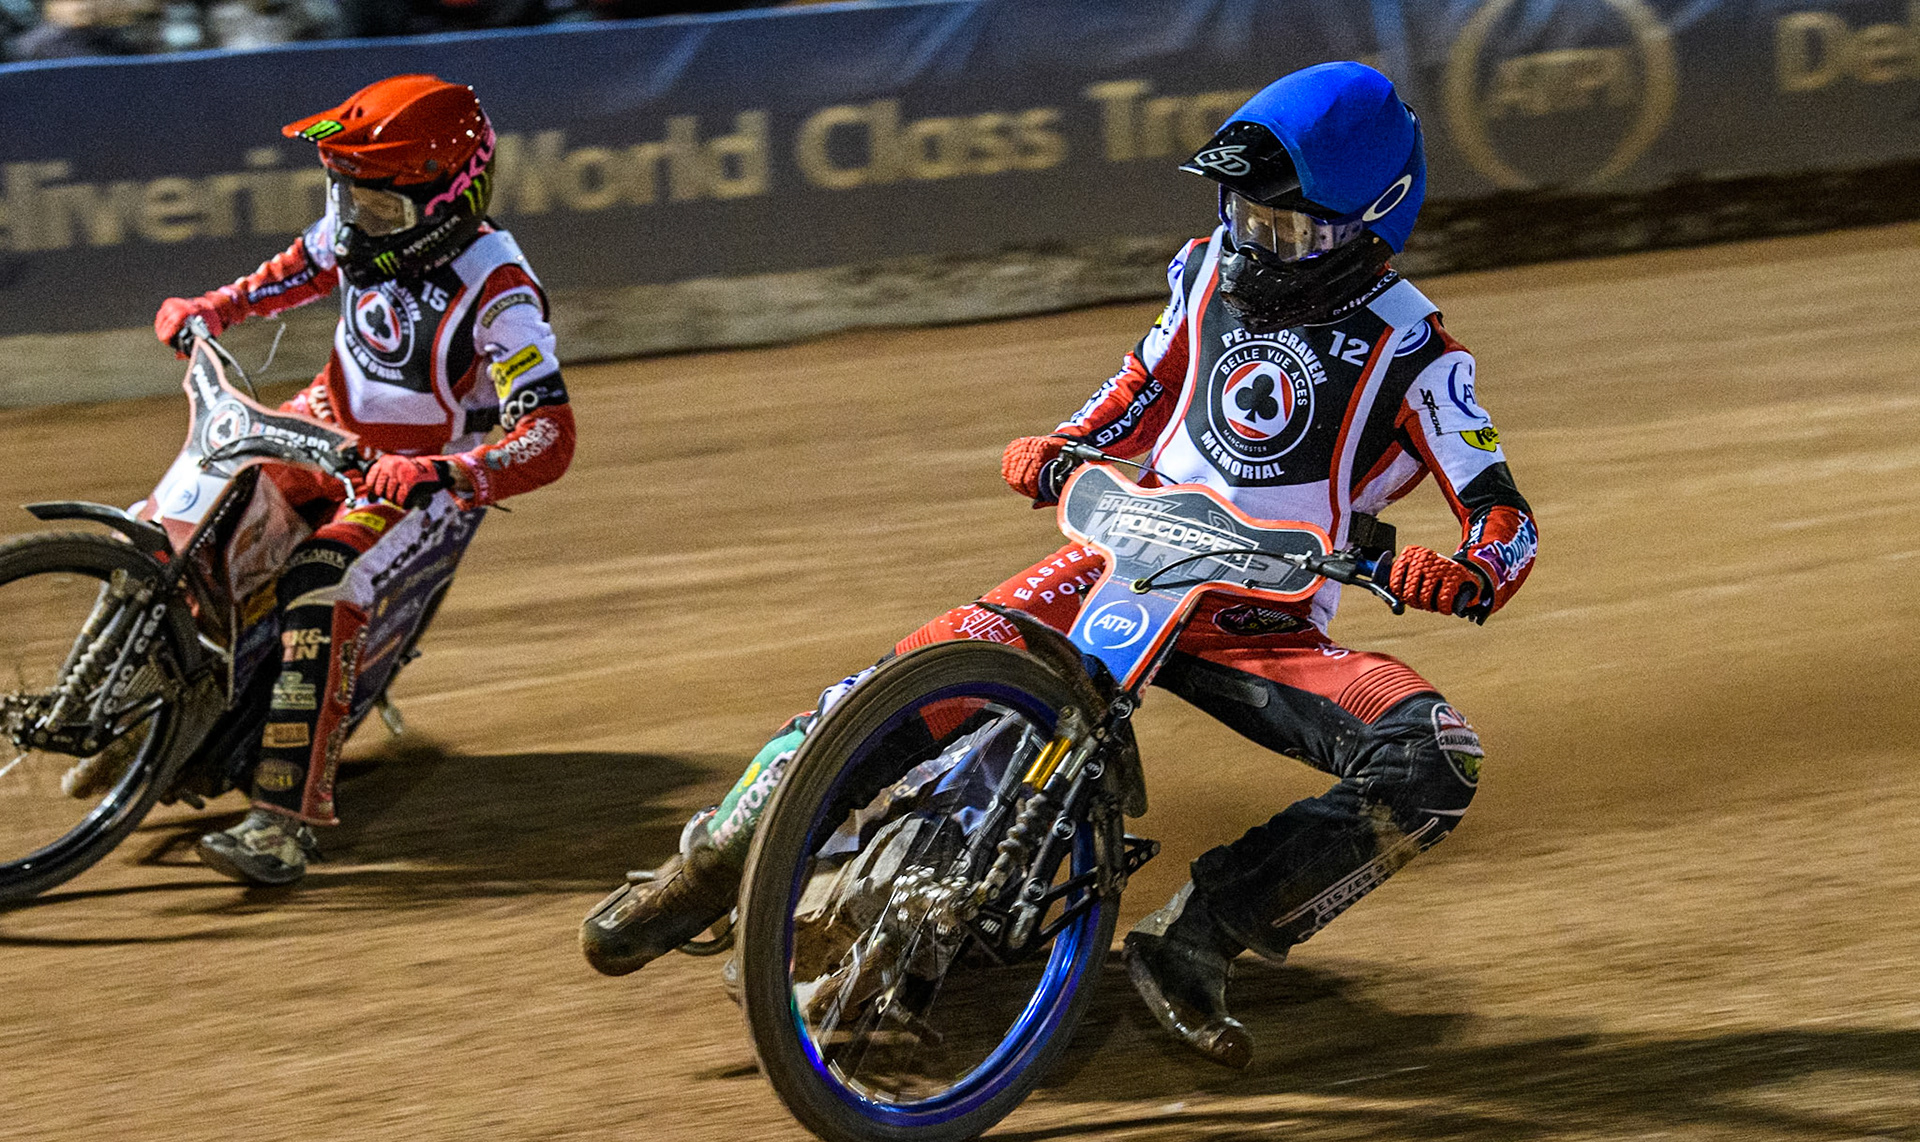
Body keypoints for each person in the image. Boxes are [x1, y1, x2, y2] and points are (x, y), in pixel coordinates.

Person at [579, 62, 1538, 1068]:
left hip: (1264, 622)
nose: (1256, 240)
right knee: (912, 677)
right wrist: (1064, 443)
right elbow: (1138, 387)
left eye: (1287, 227)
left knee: (1438, 757)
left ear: (1373, 221)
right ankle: (717, 856)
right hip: (1125, 557)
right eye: (1245, 212)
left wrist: (1468, 570)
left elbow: (1503, 516)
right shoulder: (1205, 269)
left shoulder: (1421, 356)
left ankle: (1198, 938)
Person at [149, 74, 574, 886]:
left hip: (415, 477)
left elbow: (549, 435)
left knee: (321, 580)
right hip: (322, 424)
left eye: (376, 207)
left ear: (452, 200)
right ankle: (152, 706)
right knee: (189, 515)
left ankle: (282, 825)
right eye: (344, 195)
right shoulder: (362, 217)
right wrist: (213, 308)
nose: (353, 222)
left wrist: (453, 472)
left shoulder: (501, 293)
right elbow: (291, 272)